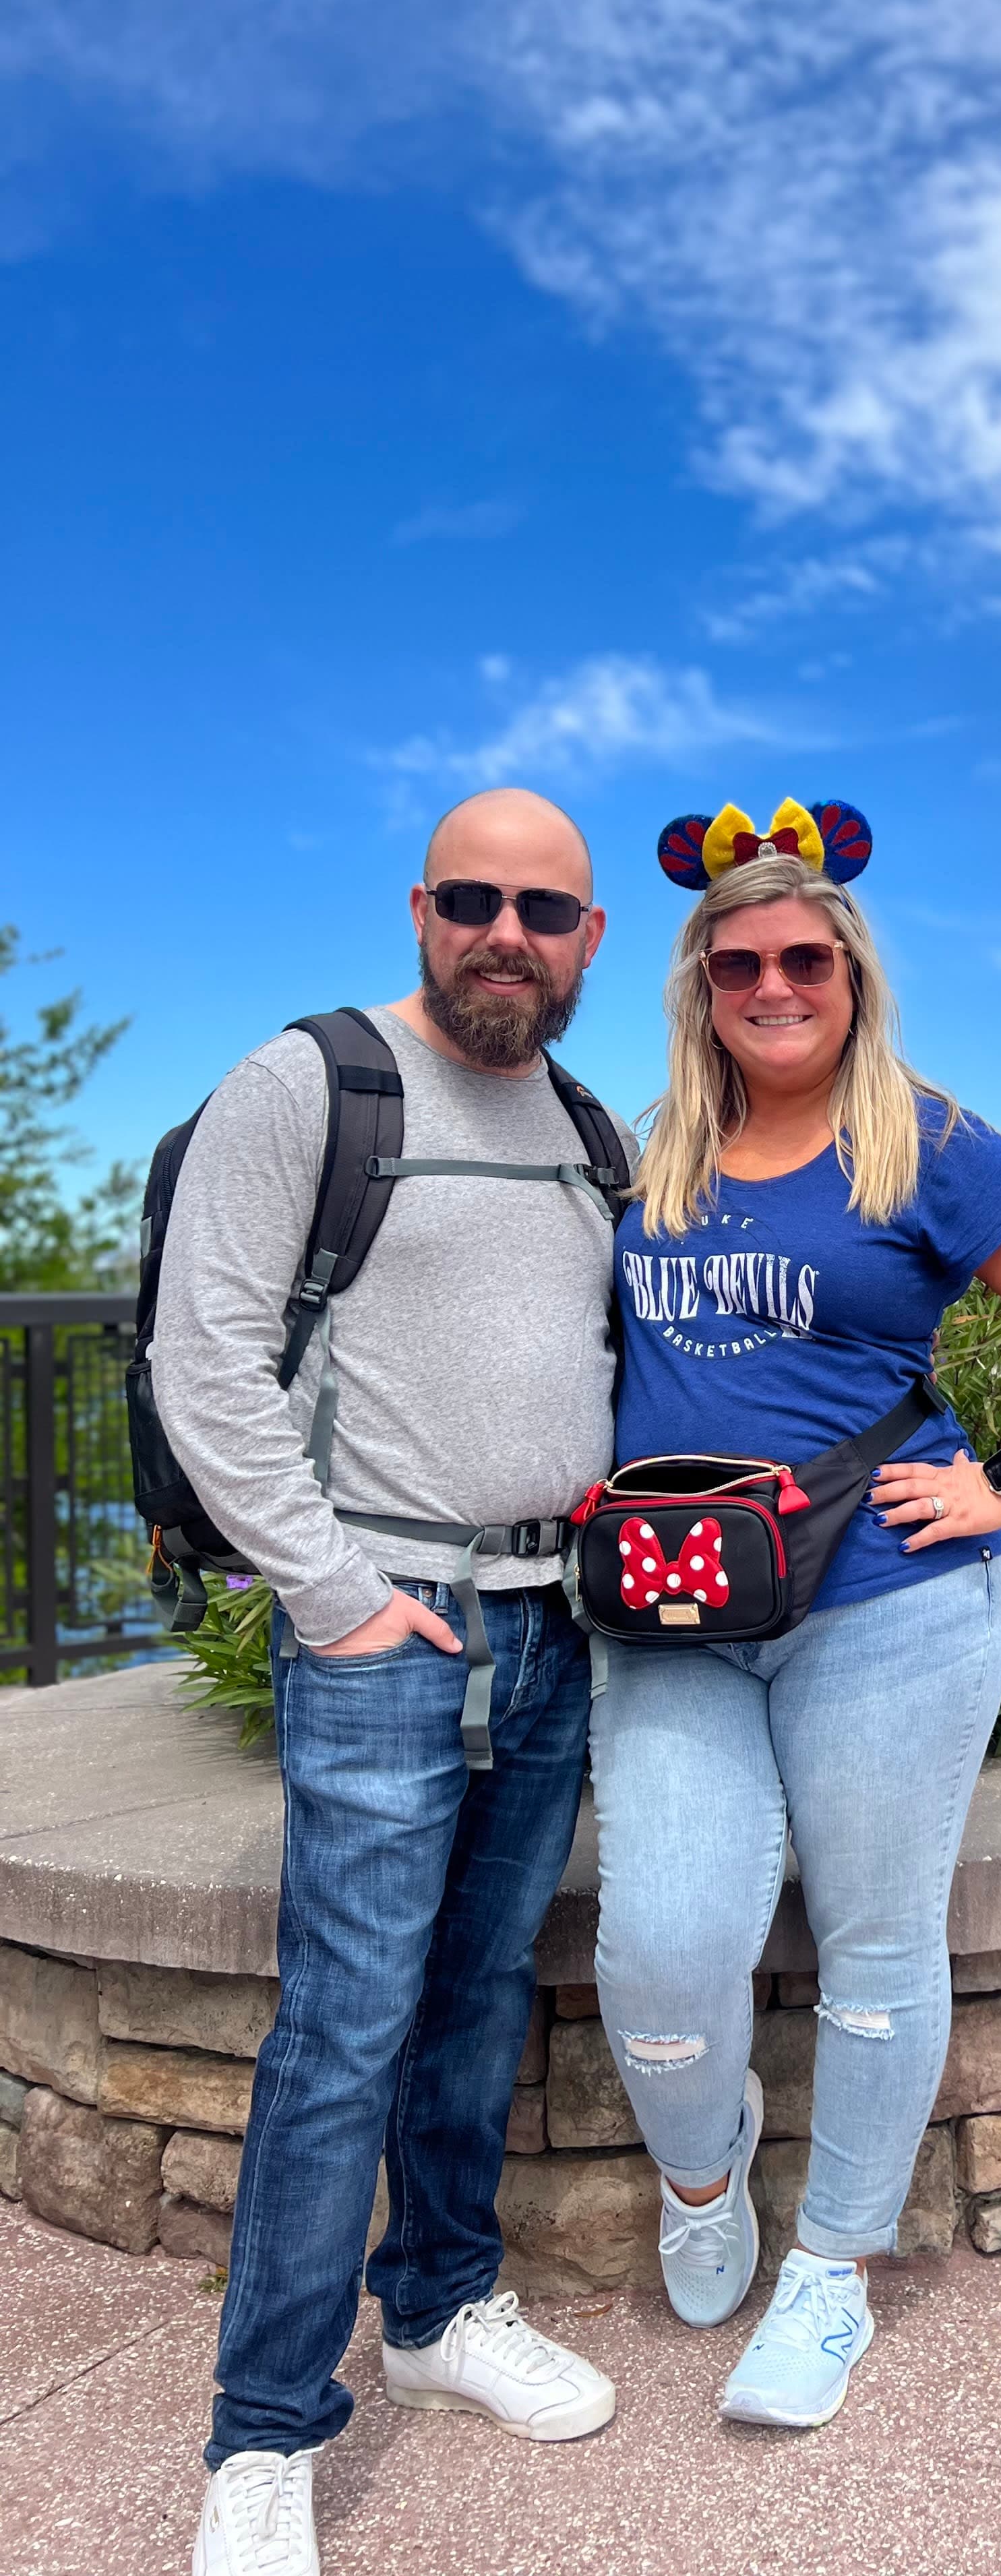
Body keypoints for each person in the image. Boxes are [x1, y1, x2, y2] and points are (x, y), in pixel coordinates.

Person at [591, 794, 1001, 2432]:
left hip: (893, 1597)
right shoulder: (649, 1150)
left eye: (805, 959)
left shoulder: (923, 1137)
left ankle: (832, 2266)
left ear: (851, 973)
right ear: (699, 981)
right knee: (667, 1940)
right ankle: (708, 2179)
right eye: (740, 960)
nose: (775, 984)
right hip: (679, 1607)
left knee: (880, 1942)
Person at [154, 787, 631, 2576]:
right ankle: (265, 2432)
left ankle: (440, 2310)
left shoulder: (587, 1125)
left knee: (477, 1996)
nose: (508, 932)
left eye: (546, 909)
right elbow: (204, 1363)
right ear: (421, 907)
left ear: (590, 941)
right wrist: (341, 1597)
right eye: (474, 898)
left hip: (555, 1620)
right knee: (345, 2024)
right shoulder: (311, 1086)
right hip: (386, 1628)